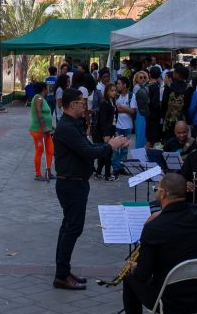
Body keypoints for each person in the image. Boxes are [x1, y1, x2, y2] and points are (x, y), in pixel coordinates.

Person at [52, 88, 130, 290]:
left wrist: (112, 144)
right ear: (72, 105)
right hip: (71, 184)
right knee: (72, 228)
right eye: (82, 102)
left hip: (76, 182)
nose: (85, 106)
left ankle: (63, 270)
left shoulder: (72, 125)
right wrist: (110, 146)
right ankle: (61, 275)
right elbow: (87, 152)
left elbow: (88, 148)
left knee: (69, 227)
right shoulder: (67, 127)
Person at [122, 173, 197, 314]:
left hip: (169, 303)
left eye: (157, 189)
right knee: (177, 275)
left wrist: (135, 267)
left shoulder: (154, 228)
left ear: (163, 193)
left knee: (130, 278)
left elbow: (142, 275)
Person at [30, 78, 55, 182]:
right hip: (39, 130)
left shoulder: (42, 98)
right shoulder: (38, 98)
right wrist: (44, 126)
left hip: (46, 130)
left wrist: (50, 126)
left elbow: (45, 114)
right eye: (47, 87)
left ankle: (48, 171)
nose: (48, 89)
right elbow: (39, 112)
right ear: (44, 89)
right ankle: (38, 174)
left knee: (50, 150)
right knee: (40, 151)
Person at [111, 79, 138, 175]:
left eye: (119, 84)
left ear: (124, 85)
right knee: (116, 148)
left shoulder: (131, 96)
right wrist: (126, 109)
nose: (117, 85)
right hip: (117, 125)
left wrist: (121, 108)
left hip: (128, 125)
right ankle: (115, 167)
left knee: (125, 149)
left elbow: (133, 111)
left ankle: (122, 167)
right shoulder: (116, 96)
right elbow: (115, 109)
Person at [95, 78, 119, 181]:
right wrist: (106, 134)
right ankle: (107, 174)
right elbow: (103, 120)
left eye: (115, 90)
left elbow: (113, 118)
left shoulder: (112, 102)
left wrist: (114, 131)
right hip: (105, 132)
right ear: (107, 92)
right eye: (112, 91)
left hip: (111, 129)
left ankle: (98, 172)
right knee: (107, 153)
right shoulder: (104, 103)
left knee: (106, 153)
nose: (114, 92)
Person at [162, 66, 189, 140]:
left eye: (174, 72)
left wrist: (163, 116)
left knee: (169, 139)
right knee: (181, 139)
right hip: (182, 119)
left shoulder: (168, 87)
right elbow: (187, 105)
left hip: (169, 119)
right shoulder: (188, 88)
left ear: (177, 75)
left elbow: (164, 104)